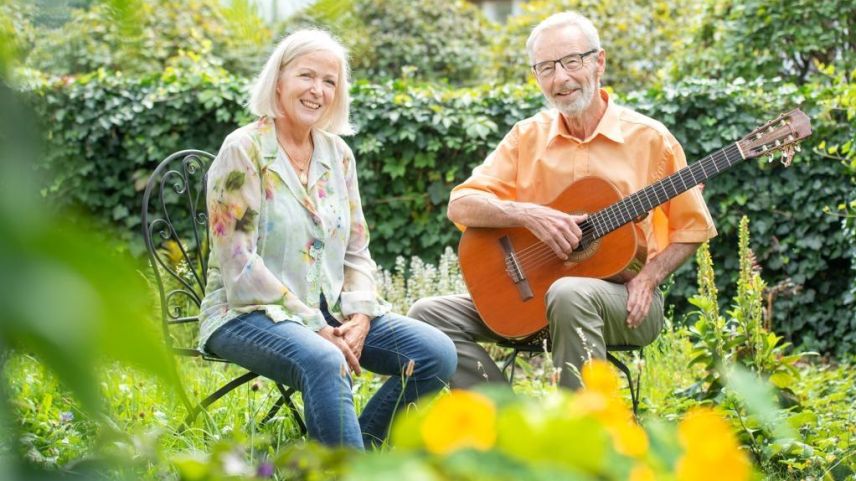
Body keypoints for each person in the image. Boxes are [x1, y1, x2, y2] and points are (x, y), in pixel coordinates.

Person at [409, 12, 716, 390]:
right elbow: (461, 204)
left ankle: (578, 439)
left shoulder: (651, 139)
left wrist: (650, 278)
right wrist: (526, 213)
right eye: (546, 68)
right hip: (534, 298)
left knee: (569, 292)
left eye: (572, 61)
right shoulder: (526, 137)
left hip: (626, 298)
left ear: (599, 62)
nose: (561, 78)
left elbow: (693, 227)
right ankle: (507, 424)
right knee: (426, 316)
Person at [197, 29, 456, 449]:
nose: (317, 90)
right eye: (306, 76)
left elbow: (357, 250)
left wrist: (361, 316)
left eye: (329, 81)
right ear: (278, 80)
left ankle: (362, 449)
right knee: (324, 359)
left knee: (435, 353)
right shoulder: (243, 149)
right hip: (244, 312)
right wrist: (317, 326)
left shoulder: (338, 155)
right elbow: (240, 265)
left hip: (331, 313)